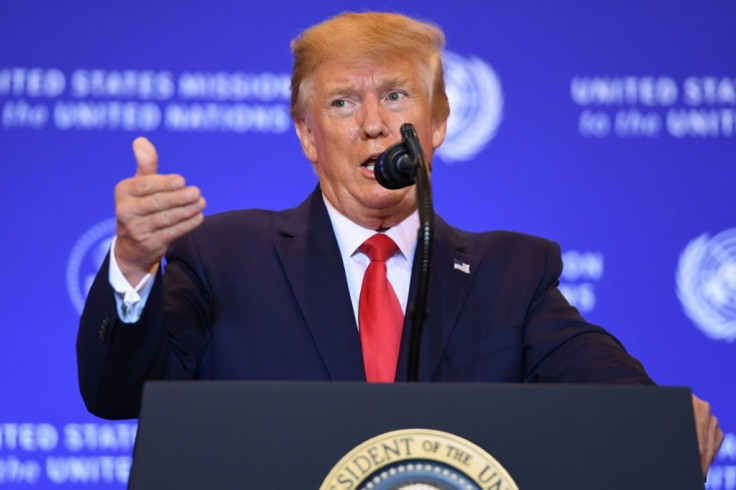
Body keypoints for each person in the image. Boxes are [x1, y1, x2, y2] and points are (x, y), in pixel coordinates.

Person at [76, 11, 723, 477]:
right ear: (306, 135)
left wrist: (662, 425)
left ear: (437, 122)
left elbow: (617, 399)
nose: (374, 125)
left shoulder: (510, 274)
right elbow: (117, 394)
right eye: (341, 102)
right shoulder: (224, 255)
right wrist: (133, 265)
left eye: (395, 95)